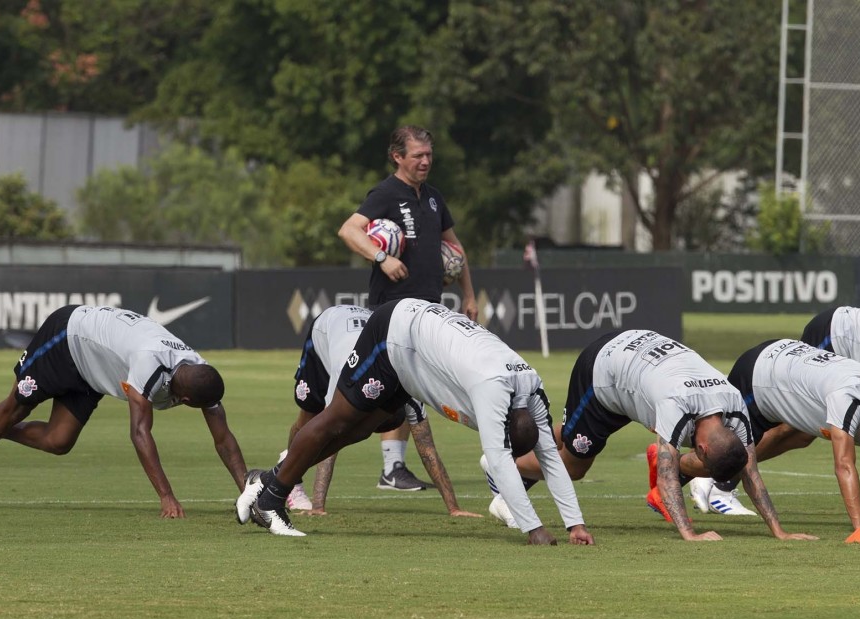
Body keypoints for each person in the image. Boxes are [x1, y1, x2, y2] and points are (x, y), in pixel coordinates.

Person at [247, 299, 594, 545]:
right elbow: (500, 460)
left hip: (417, 360)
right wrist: (533, 529)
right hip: (393, 334)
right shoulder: (492, 391)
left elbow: (548, 453)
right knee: (337, 419)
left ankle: (267, 481)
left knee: (362, 430)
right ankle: (271, 499)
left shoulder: (532, 387)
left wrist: (574, 525)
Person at [495, 330, 817, 542]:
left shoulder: (734, 404)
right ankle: (501, 463)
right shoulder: (677, 406)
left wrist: (780, 532)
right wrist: (690, 534)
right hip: (604, 370)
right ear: (701, 448)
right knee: (575, 465)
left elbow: (751, 470)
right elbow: (666, 477)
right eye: (698, 460)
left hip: (638, 368)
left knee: (570, 436)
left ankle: (515, 458)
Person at [0, 305, 249, 517]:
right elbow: (140, 432)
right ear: (184, 398)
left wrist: (247, 492)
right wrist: (166, 496)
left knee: (58, 441)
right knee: (15, 408)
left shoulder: (199, 372)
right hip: (67, 336)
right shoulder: (149, 364)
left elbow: (223, 438)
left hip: (92, 369)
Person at [233, 304, 480, 520]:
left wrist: (453, 507)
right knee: (310, 418)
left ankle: (276, 478)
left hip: (366, 334)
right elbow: (328, 435)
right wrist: (319, 506)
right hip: (326, 329)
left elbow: (427, 449)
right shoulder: (348, 377)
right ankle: (292, 485)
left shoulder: (409, 385)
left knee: (337, 427)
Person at [338, 125, 477, 491]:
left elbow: (455, 248)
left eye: (429, 155)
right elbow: (349, 231)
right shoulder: (385, 194)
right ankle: (380, 464)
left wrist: (470, 295)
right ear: (397, 157)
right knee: (388, 390)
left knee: (406, 389)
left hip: (429, 307)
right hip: (393, 309)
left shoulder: (433, 198)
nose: (425, 161)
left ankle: (393, 468)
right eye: (417, 155)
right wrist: (382, 257)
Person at [691, 306, 860, 513]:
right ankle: (718, 475)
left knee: (802, 436)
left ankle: (720, 472)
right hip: (836, 334)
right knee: (791, 425)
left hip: (849, 342)